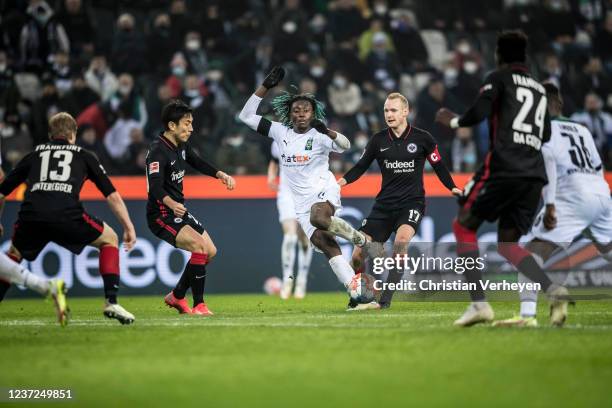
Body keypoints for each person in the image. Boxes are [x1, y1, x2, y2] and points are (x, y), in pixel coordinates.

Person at [435, 30, 570, 327]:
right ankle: (553, 289)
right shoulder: (537, 88)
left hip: (505, 168)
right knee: (508, 245)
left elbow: (480, 111)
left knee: (463, 226)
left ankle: (479, 304)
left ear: (500, 54)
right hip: (533, 176)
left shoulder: (498, 78)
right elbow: (546, 133)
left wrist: (454, 120)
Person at [239, 66, 370, 308]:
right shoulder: (280, 132)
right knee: (324, 242)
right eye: (296, 110)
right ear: (289, 114)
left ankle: (357, 237)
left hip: (324, 190)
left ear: (313, 113)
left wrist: (328, 132)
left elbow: (344, 145)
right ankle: (357, 294)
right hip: (300, 203)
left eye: (305, 110)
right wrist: (264, 87)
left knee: (319, 217)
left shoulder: (320, 134)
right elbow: (245, 117)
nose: (300, 114)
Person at [0, 112, 136, 324]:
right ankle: (111, 301)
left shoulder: (34, 154)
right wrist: (128, 226)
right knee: (110, 239)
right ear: (73, 134)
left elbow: (1, 192)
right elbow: (112, 196)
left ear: (50, 135)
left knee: (12, 256)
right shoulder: (84, 155)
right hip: (67, 215)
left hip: (32, 215)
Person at [494, 83, 611, 327]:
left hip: (570, 194)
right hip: (600, 192)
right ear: (561, 104)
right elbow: (598, 166)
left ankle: (527, 317)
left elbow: (546, 160)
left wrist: (549, 205)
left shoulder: (541, 129)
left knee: (530, 253)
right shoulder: (582, 129)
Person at [338, 92, 461, 310]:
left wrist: (452, 187)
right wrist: (342, 182)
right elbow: (360, 167)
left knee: (400, 243)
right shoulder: (378, 140)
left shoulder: (423, 139)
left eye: (393, 110)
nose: (389, 114)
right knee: (357, 254)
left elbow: (439, 166)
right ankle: (357, 296)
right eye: (386, 110)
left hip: (411, 204)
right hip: (383, 206)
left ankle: (385, 300)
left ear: (406, 112)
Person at [147, 100, 235, 316]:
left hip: (178, 211)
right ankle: (199, 305)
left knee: (210, 252)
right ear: (171, 125)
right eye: (187, 123)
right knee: (198, 247)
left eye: (191, 123)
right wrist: (171, 204)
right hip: (161, 215)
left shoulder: (181, 146)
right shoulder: (158, 152)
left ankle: (177, 295)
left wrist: (220, 174)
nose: (191, 128)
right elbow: (155, 188)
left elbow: (197, 162)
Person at [267, 141, 313, 299]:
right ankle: (288, 281)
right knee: (290, 236)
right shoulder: (278, 141)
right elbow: (274, 160)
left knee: (305, 239)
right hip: (286, 193)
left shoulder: (312, 137)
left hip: (307, 193)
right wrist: (271, 176)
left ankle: (302, 281)